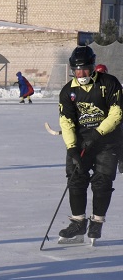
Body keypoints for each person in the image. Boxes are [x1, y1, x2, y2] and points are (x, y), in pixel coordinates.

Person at [57, 46, 123, 245]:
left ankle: (97, 222)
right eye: (77, 70)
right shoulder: (68, 91)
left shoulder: (109, 83)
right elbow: (66, 121)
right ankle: (78, 222)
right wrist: (71, 147)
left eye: (85, 68)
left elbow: (117, 114)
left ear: (93, 66)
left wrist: (97, 133)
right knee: (76, 179)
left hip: (107, 143)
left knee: (102, 182)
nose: (81, 73)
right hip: (81, 143)